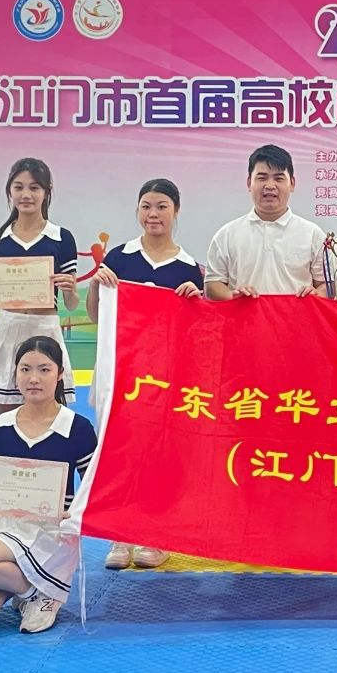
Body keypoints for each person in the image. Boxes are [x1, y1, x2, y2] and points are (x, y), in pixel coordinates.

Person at [85, 178, 203, 572]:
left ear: (176, 211)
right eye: (146, 206)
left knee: (160, 452)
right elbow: (96, 316)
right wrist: (97, 286)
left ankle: (155, 534)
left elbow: (195, 333)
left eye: (162, 206)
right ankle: (120, 533)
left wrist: (195, 301)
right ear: (137, 210)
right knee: (120, 449)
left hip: (166, 376)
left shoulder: (187, 268)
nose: (153, 214)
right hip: (123, 372)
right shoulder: (119, 258)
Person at [0, 337, 98, 636]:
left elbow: (92, 485)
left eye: (44, 369)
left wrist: (76, 514)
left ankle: (38, 585)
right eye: (25, 369)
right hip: (4, 527)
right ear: (15, 374)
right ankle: (34, 590)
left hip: (51, 533)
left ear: (60, 373)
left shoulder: (77, 427)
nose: (34, 378)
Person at [0, 158, 78, 414]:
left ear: (46, 191)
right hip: (7, 328)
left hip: (45, 328)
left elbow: (71, 305)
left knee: (49, 412)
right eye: (19, 187)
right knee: (5, 416)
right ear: (9, 191)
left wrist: (70, 290)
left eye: (34, 188)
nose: (26, 195)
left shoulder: (61, 237)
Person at [205, 145, 326, 301]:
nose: (270, 186)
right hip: (245, 316)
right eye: (262, 178)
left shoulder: (312, 234)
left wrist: (316, 295)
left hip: (296, 317)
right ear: (249, 183)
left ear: (292, 184)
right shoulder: (227, 234)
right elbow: (213, 284)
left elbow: (325, 285)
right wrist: (231, 295)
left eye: (278, 178)